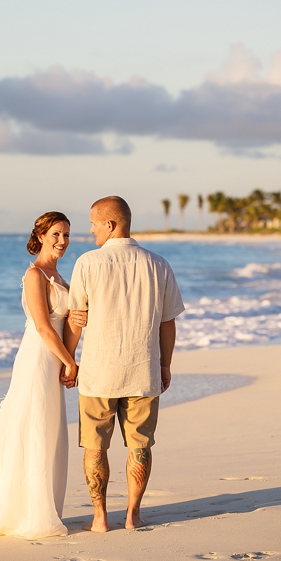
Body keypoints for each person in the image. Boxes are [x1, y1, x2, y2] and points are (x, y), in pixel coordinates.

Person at [63, 196, 184, 532]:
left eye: (94, 223)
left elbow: (77, 319)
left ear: (111, 225)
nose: (90, 230)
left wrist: (69, 360)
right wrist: (166, 365)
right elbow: (168, 322)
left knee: (94, 447)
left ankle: (100, 518)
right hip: (143, 371)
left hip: (98, 374)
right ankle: (133, 515)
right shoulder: (158, 264)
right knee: (140, 446)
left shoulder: (87, 263)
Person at [0, 211, 81, 539]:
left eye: (66, 235)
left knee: (48, 431)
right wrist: (70, 364)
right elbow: (44, 328)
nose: (62, 241)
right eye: (56, 235)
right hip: (37, 360)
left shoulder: (60, 277)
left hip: (54, 360)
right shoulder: (35, 275)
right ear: (42, 235)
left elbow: (66, 326)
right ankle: (22, 514)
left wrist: (69, 355)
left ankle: (41, 507)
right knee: (31, 427)